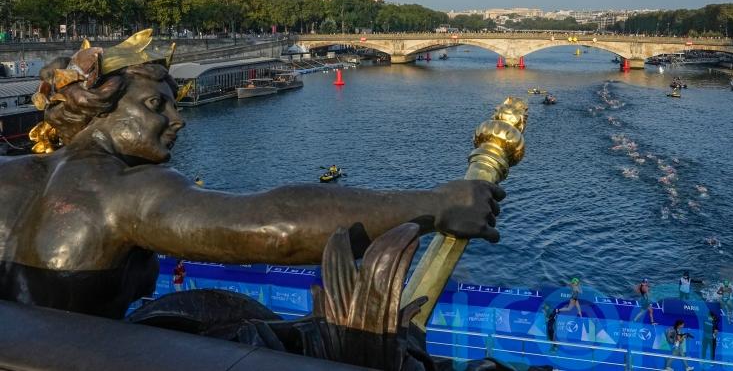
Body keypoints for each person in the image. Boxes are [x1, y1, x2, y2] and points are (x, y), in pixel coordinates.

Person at [0, 31, 505, 319]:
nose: (176, 120)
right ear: (101, 109)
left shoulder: (13, 174)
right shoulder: (123, 191)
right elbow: (274, 228)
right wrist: (436, 205)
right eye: (156, 105)